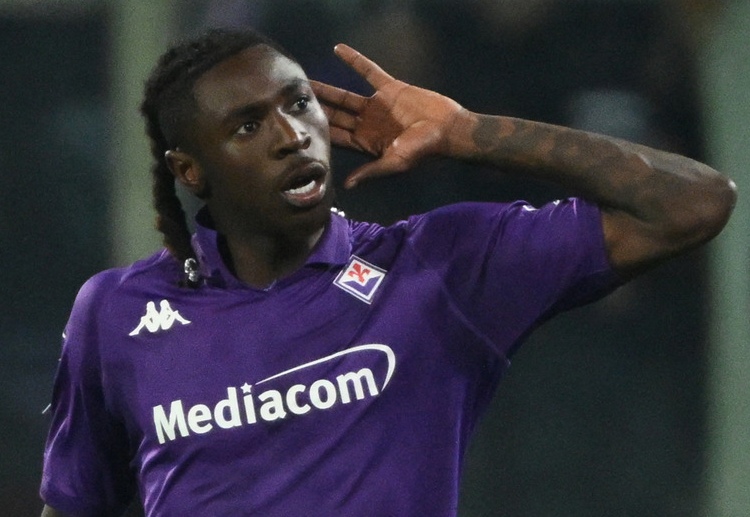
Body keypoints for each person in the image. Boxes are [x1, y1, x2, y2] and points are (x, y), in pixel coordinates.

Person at [39, 28, 735, 517]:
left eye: (298, 103)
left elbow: (692, 204)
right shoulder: (116, 312)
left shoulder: (436, 268)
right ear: (190, 171)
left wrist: (468, 133)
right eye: (248, 126)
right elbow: (73, 506)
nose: (291, 135)